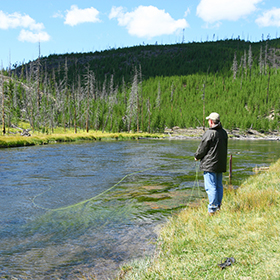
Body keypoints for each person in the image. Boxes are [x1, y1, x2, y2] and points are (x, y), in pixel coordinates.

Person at [194, 112, 228, 215]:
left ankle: (212, 210)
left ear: (211, 121)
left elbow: (202, 148)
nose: (208, 121)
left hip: (210, 165)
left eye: (209, 120)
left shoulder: (209, 133)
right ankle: (218, 206)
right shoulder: (224, 133)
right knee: (218, 186)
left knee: (211, 187)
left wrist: (197, 156)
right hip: (220, 164)